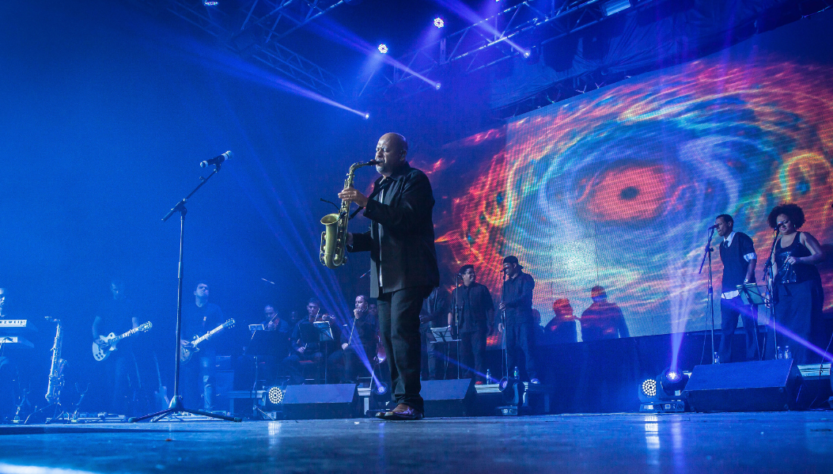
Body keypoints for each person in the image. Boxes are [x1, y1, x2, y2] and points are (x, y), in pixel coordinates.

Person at [339, 132, 440, 420]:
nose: (378, 154)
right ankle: (401, 401)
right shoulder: (380, 186)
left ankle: (411, 401)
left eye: (385, 149)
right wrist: (349, 240)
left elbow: (405, 220)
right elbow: (377, 236)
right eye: (377, 149)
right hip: (383, 275)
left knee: (402, 334)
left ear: (402, 154)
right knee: (388, 336)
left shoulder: (414, 180)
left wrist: (364, 201)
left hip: (409, 271)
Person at [767, 203, 825, 364]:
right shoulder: (776, 242)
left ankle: (804, 362)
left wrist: (800, 260)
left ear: (793, 220)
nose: (783, 225)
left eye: (785, 221)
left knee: (803, 325)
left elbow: (820, 255)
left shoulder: (803, 236)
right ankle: (783, 362)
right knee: (782, 325)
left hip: (804, 286)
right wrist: (769, 289)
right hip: (783, 289)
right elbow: (773, 267)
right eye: (779, 223)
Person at [714, 214, 760, 363]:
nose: (717, 228)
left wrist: (746, 281)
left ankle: (754, 361)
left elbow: (752, 259)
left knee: (750, 327)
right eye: (716, 226)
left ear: (729, 224)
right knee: (726, 329)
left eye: (720, 224)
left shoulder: (741, 238)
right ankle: (724, 362)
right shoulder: (722, 246)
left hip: (745, 289)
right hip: (728, 292)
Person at [92, 279, 140, 414]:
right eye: (115, 289)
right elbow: (95, 324)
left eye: (120, 289)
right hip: (106, 347)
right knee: (109, 379)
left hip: (123, 348)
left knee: (120, 377)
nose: (117, 292)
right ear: (110, 288)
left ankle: (117, 411)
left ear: (124, 287)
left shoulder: (131, 304)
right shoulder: (105, 304)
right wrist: (97, 339)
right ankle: (108, 410)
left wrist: (136, 331)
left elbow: (135, 324)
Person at [181, 281, 225, 411]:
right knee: (190, 380)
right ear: (194, 292)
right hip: (188, 350)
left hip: (207, 348)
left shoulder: (214, 308)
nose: (204, 289)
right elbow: (179, 328)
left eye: (207, 288)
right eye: (201, 287)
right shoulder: (186, 309)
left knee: (208, 378)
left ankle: (209, 409)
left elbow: (221, 328)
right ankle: (191, 409)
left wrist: (213, 335)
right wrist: (181, 341)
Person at [448, 265, 494, 384]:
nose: (472, 275)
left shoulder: (481, 289)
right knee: (464, 355)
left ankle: (479, 379)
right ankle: (466, 379)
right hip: (462, 328)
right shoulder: (456, 292)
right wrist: (450, 325)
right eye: (469, 273)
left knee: (478, 353)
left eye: (473, 273)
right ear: (462, 276)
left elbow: (489, 308)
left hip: (478, 327)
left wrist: (491, 323)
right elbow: (451, 310)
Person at [499, 256, 539, 384]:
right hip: (510, 321)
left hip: (523, 319)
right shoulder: (505, 284)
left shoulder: (526, 278)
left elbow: (525, 297)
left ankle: (533, 376)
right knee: (509, 349)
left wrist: (508, 304)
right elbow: (502, 304)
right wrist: (501, 320)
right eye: (504, 267)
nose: (505, 270)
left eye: (507, 266)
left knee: (527, 347)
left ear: (514, 265)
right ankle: (509, 377)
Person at [330, 295, 378, 384]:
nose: (357, 304)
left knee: (349, 351)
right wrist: (343, 343)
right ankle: (346, 379)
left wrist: (359, 319)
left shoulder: (370, 317)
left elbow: (369, 333)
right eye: (356, 302)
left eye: (359, 302)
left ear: (366, 304)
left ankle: (349, 381)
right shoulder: (351, 319)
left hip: (365, 347)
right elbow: (344, 334)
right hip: (350, 348)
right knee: (332, 358)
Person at [282, 298, 326, 384]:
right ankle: (301, 381)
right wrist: (298, 349)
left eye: (315, 307)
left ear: (318, 309)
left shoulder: (322, 323)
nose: (312, 309)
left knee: (320, 357)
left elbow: (326, 339)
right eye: (310, 307)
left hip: (315, 352)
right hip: (303, 353)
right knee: (286, 361)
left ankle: (317, 384)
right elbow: (293, 340)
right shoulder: (300, 323)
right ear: (307, 308)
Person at [420, 286, 448, 381]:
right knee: (418, 352)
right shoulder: (417, 289)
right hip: (418, 324)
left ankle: (432, 377)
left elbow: (441, 309)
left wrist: (429, 318)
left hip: (432, 325)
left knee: (431, 352)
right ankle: (420, 376)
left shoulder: (438, 291)